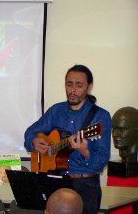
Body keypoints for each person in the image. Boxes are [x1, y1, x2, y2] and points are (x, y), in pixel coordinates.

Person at [24, 64, 112, 214]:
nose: (73, 90)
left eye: (79, 85)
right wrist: (33, 141)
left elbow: (101, 162)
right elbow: (30, 132)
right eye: (69, 84)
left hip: (85, 185)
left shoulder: (100, 117)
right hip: (54, 182)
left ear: (89, 87)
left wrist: (85, 152)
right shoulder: (55, 111)